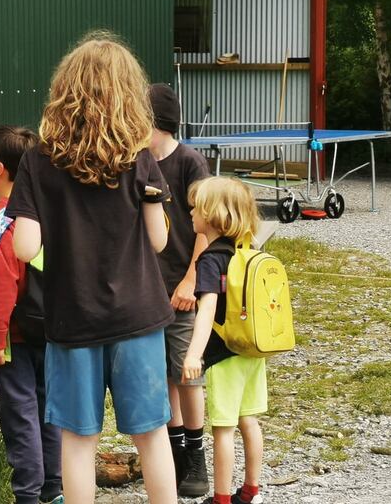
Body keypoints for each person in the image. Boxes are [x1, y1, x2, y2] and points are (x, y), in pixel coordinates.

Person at [7, 32, 178, 504]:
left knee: (79, 441)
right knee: (151, 436)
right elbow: (159, 240)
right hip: (139, 316)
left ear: (65, 90)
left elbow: (25, 247)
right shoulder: (139, 158)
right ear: (128, 93)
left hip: (73, 319)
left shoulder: (38, 161)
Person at [0, 124, 63, 504]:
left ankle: (26, 495)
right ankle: (53, 489)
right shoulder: (48, 210)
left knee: (20, 415)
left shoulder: (0, 220)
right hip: (52, 327)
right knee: (49, 410)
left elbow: (1, 284)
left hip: (14, 335)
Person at [182, 176, 266, 504]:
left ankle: (221, 499)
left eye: (196, 208)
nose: (191, 213)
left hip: (223, 355)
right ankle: (251, 492)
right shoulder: (248, 252)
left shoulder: (211, 259)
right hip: (252, 350)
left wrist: (193, 354)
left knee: (223, 429)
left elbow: (206, 310)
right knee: (249, 420)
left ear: (214, 214)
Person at [148, 83, 211, 497]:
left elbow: (206, 228)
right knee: (161, 377)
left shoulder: (189, 162)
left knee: (187, 375)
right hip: (148, 290)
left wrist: (191, 280)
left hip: (181, 287)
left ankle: (196, 454)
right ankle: (172, 453)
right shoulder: (137, 163)